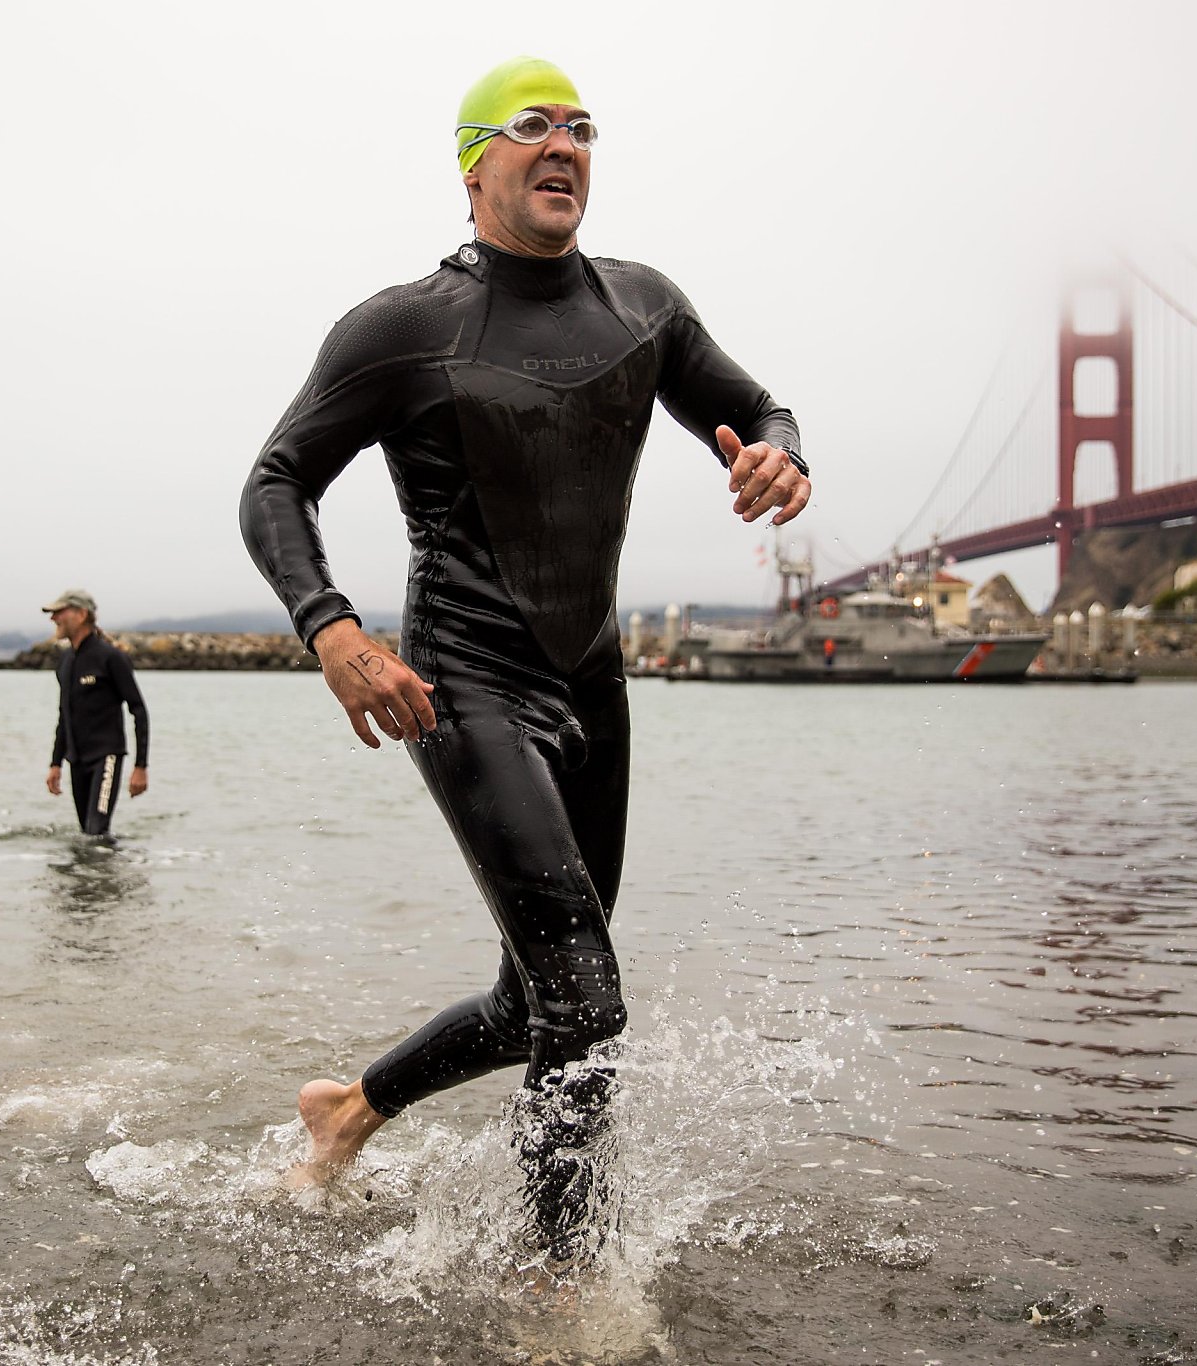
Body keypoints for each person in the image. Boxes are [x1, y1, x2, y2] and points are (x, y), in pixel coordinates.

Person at [239, 56, 811, 1266]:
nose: (566, 146)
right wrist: (333, 631)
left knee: (540, 995)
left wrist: (776, 452)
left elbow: (759, 407)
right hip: (463, 681)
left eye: (584, 129)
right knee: (587, 1001)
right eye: (535, 126)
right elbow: (276, 479)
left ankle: (349, 1109)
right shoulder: (403, 326)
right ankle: (561, 1288)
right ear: (472, 163)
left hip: (592, 687)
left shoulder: (642, 306)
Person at [41, 589, 149, 840]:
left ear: (81, 615)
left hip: (106, 756)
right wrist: (56, 763)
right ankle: (90, 880)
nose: (53, 619)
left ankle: (112, 876)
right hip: (77, 761)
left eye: (59, 612)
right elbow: (64, 715)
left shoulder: (110, 657)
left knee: (96, 833)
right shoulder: (66, 661)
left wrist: (141, 766)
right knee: (86, 835)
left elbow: (139, 710)